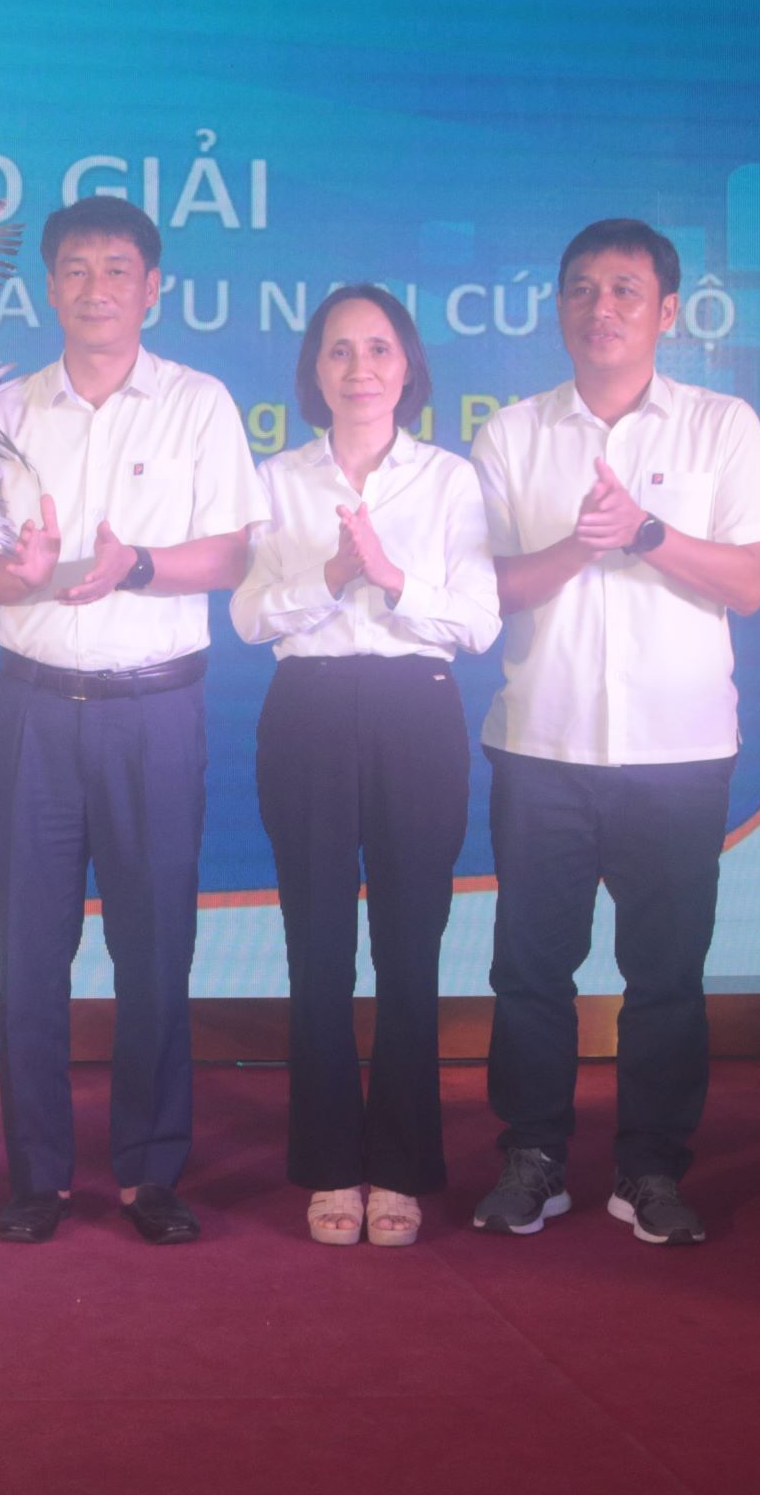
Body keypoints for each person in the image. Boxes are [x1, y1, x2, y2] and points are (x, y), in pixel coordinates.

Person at [469, 217, 760, 1247]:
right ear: (558, 306)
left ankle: (652, 1167)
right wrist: (581, 544)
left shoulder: (721, 425)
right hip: (543, 745)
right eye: (581, 289)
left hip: (679, 752)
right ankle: (533, 1157)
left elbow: (749, 581)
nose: (600, 308)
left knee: (666, 976)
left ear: (668, 312)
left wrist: (644, 533)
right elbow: (484, 591)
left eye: (623, 290)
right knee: (530, 971)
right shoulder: (512, 435)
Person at [0, 196, 268, 1247]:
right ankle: (37, 1175)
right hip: (34, 713)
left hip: (155, 711)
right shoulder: (0, 411)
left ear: (153, 288)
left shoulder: (198, 403)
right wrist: (11, 574)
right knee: (28, 951)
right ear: (49, 288)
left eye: (118, 269)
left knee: (156, 947)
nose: (97, 288)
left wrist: (135, 566)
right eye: (78, 269)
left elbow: (231, 556)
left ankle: (151, 1170)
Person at [234, 285, 499, 1249]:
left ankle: (401, 1168)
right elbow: (248, 616)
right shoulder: (276, 480)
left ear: (408, 366)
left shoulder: (451, 480)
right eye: (339, 350)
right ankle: (329, 1167)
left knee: (409, 947)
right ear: (315, 369)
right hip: (307, 709)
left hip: (415, 710)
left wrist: (391, 579)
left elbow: (479, 623)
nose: (359, 369)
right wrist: (331, 576)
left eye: (379, 349)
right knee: (317, 946)